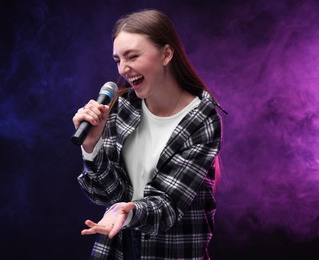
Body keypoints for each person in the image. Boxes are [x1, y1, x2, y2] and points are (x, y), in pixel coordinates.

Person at [72, 9, 224, 260]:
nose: (124, 68)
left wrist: (128, 211)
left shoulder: (202, 119)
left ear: (166, 54)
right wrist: (91, 146)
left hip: (171, 251)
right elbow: (106, 194)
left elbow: (167, 205)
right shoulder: (121, 109)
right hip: (117, 248)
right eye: (118, 60)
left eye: (132, 56)